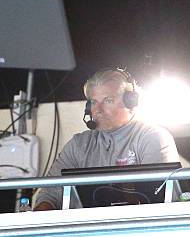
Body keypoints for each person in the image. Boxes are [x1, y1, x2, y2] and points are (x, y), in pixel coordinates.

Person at [33, 68, 180, 210]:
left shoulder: (152, 136)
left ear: (131, 102)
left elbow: (159, 197)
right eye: (93, 102)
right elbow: (49, 194)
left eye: (108, 100)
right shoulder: (78, 145)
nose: (98, 109)